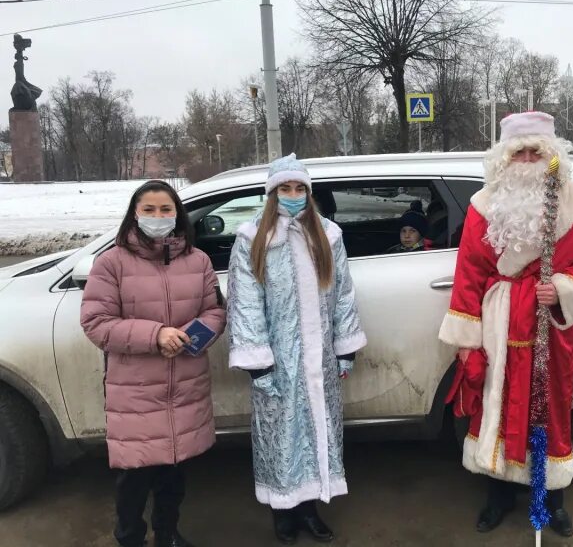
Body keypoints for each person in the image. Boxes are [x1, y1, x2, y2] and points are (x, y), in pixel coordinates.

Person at [439, 111, 573, 537]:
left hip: (549, 329)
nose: (529, 159)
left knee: (550, 408)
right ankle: (498, 495)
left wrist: (566, 289)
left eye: (537, 151)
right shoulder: (484, 205)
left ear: (552, 155)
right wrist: (467, 338)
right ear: (505, 158)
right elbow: (470, 273)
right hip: (499, 323)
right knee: (494, 404)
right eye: (521, 152)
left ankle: (551, 499)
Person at [226, 153, 367, 545]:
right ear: (272, 194)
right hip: (277, 360)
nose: (293, 194)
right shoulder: (252, 238)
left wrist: (345, 346)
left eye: (299, 188)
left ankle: (310, 508)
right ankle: (282, 511)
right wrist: (258, 361)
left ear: (309, 191)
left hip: (319, 359)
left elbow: (342, 295)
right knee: (281, 436)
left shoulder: (327, 234)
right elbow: (245, 302)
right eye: (285, 188)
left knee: (318, 431)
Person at [80, 180, 226, 547]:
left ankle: (167, 534)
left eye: (165, 210)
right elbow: (96, 323)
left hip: (185, 387)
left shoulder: (198, 260)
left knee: (174, 474)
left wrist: (192, 335)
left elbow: (215, 312)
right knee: (135, 478)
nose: (158, 217)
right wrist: (155, 334)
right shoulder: (111, 262)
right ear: (134, 213)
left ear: (177, 214)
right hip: (137, 391)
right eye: (149, 210)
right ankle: (130, 538)